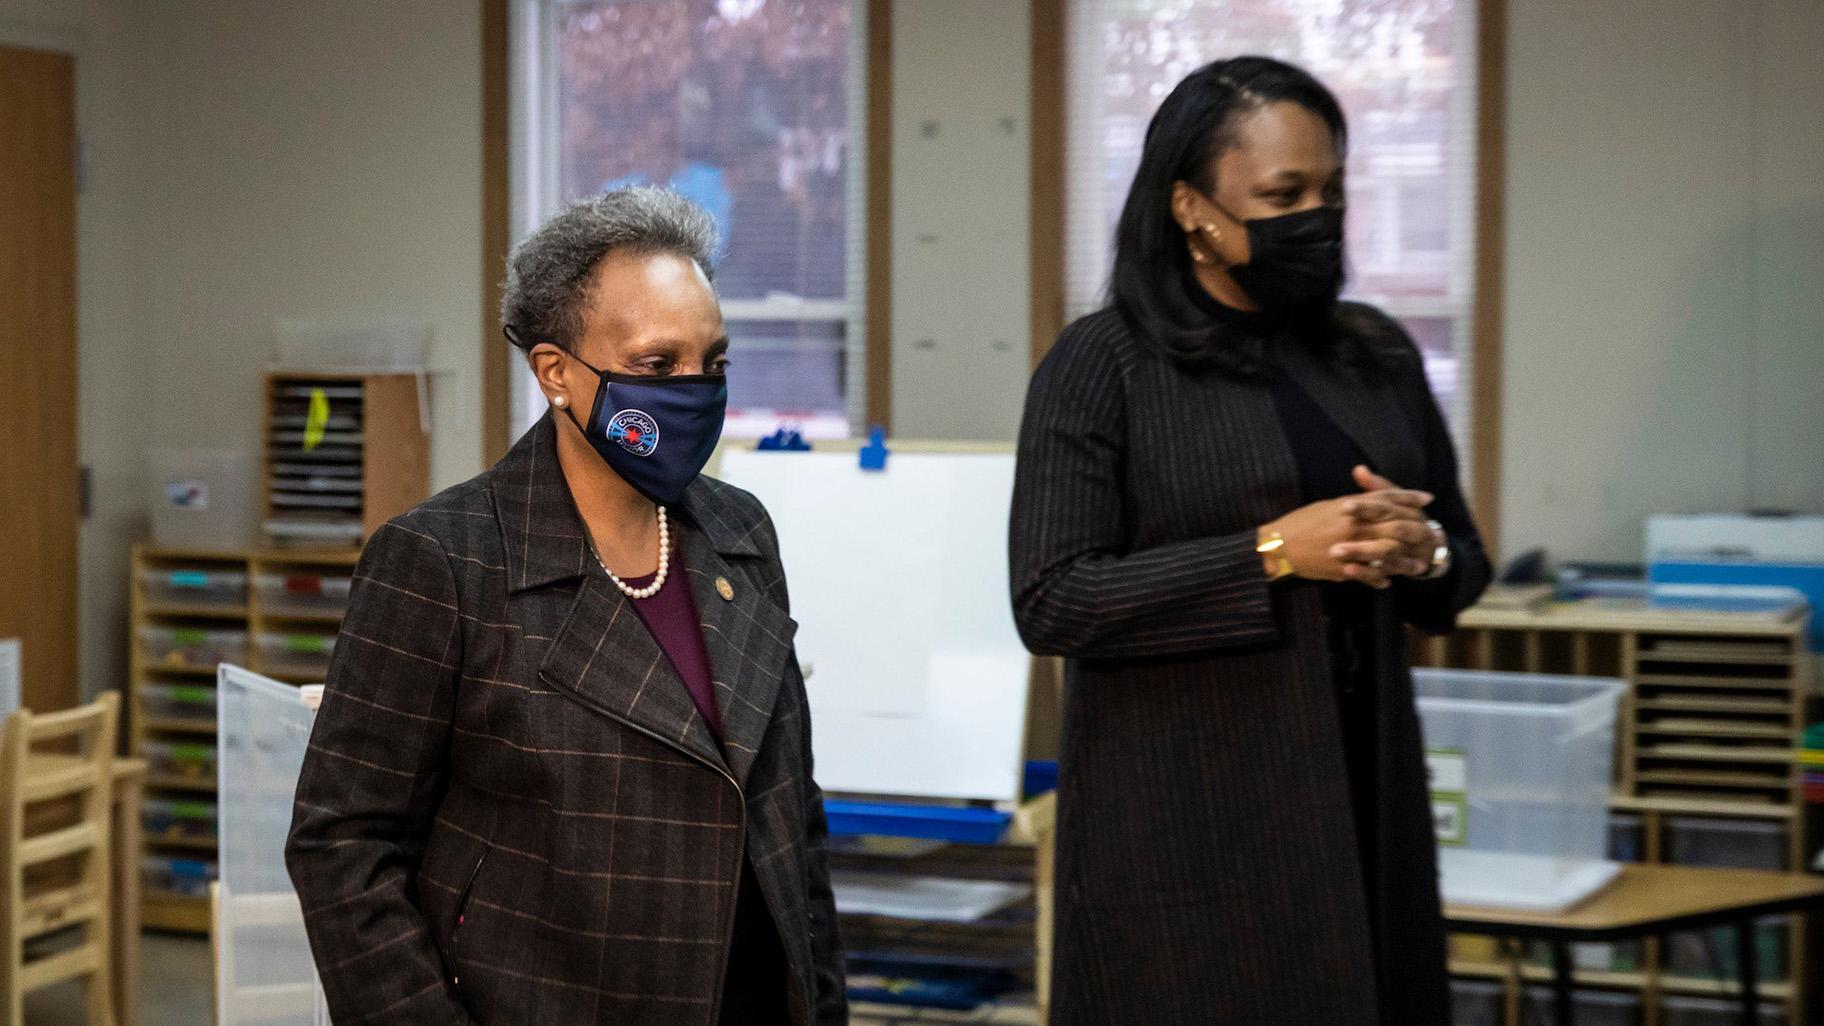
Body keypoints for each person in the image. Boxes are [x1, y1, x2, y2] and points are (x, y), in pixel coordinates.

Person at [286, 187, 847, 1026]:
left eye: (714, 364)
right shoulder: (442, 558)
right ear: (555, 372)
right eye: (659, 367)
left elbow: (792, 818)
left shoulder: (742, 536)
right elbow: (343, 845)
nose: (693, 392)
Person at [1008, 56, 1490, 1025]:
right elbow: (1054, 599)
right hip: (1188, 820)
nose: (1317, 216)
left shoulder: (1375, 352)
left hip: (1364, 788)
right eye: (1283, 194)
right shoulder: (1102, 365)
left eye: (1332, 191)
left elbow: (1461, 566)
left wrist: (1420, 552)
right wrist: (1271, 553)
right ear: (1191, 206)